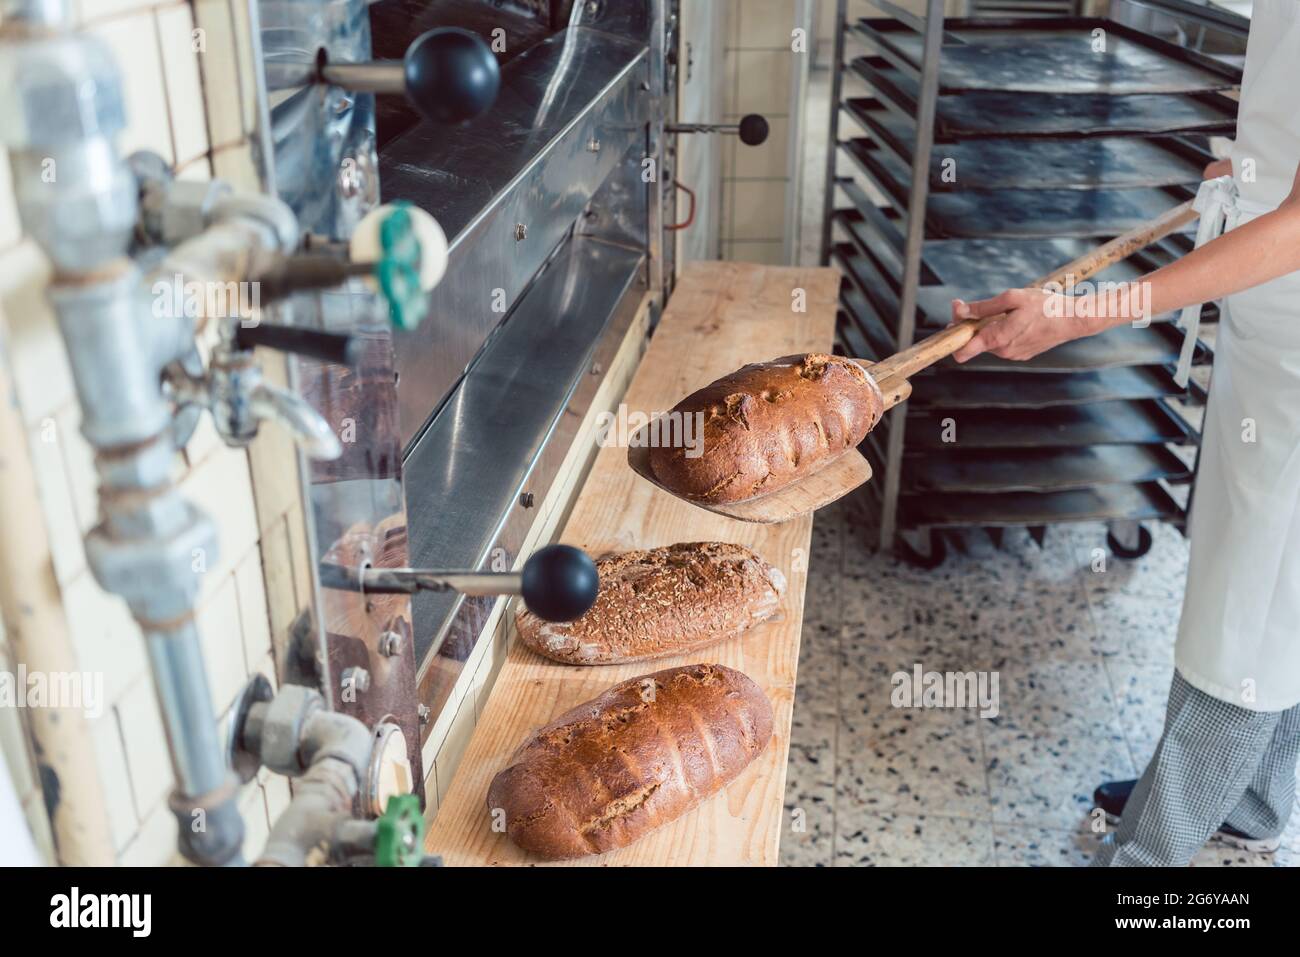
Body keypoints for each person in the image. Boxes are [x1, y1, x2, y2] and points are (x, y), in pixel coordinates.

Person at [950, 0, 1300, 866]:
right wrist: (1245, 165)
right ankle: (1253, 797)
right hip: (1274, 326)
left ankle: (1150, 863)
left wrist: (1082, 315)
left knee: (1248, 607)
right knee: (1280, 590)